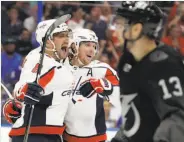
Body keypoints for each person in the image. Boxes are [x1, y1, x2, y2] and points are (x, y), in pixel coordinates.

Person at [111, 2, 184, 142]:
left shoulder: (165, 64)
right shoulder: (127, 61)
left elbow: (178, 117)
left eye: (120, 26)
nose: (115, 32)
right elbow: (133, 117)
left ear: (136, 29)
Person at [3, 18, 74, 142]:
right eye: (61, 36)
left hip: (51, 134)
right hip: (34, 134)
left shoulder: (62, 63)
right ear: (47, 41)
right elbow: (25, 86)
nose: (67, 39)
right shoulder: (38, 58)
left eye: (67, 35)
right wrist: (24, 92)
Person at [62, 28, 121, 142]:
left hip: (95, 139)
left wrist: (105, 86)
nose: (92, 50)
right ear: (74, 45)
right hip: (64, 138)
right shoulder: (60, 69)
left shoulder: (102, 70)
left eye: (94, 46)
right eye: (87, 45)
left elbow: (121, 99)